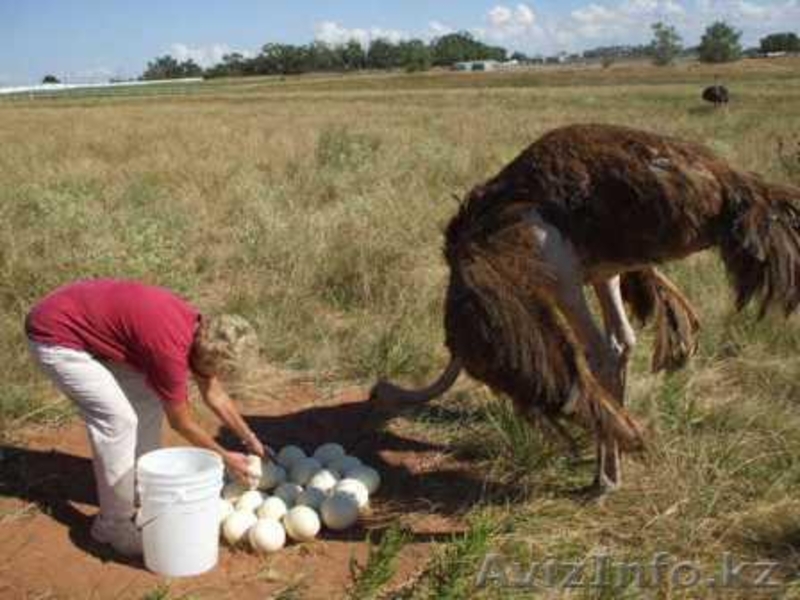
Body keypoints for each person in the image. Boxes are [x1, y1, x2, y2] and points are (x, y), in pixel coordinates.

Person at [25, 278, 269, 556]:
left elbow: (215, 393)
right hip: (53, 336)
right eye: (214, 370)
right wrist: (225, 456)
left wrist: (249, 438)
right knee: (118, 421)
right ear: (201, 356)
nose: (213, 377)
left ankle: (143, 487)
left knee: (148, 396)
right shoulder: (169, 352)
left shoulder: (201, 331)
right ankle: (112, 526)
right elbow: (181, 423)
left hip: (74, 316)